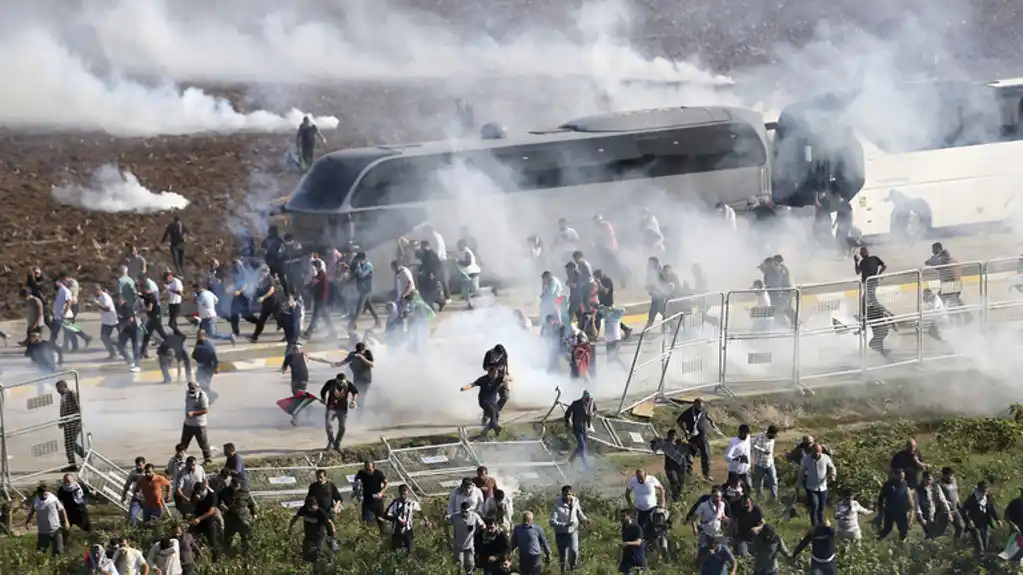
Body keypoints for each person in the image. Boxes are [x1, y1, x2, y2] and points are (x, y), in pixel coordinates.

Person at [677, 398, 719, 482]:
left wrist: (711, 421)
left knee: (706, 455)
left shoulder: (704, 408)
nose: (701, 408)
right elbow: (679, 421)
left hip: (702, 437)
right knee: (689, 456)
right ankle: (688, 475)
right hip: (692, 437)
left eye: (702, 406)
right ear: (694, 405)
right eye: (699, 406)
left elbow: (706, 414)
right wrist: (684, 430)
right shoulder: (688, 412)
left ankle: (707, 475)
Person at [550, 485, 588, 574]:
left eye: (569, 494)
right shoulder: (557, 504)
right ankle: (563, 572)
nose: (567, 496)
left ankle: (572, 568)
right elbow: (552, 521)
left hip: (573, 531)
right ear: (562, 494)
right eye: (565, 494)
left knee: (574, 552)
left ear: (572, 494)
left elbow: (579, 512)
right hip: (561, 533)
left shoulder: (575, 501)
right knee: (563, 557)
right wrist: (564, 524)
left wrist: (585, 520)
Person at [289, 496, 336, 566]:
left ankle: (323, 566)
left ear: (316, 505)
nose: (310, 510)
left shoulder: (321, 513)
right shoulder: (304, 509)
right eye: (309, 508)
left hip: (319, 538)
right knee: (306, 556)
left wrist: (332, 536)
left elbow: (330, 524)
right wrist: (290, 527)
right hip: (308, 537)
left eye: (312, 508)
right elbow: (296, 517)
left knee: (317, 555)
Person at [219, 470, 258, 554]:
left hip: (243, 518)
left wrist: (254, 514)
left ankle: (246, 555)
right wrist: (221, 507)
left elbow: (251, 504)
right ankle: (226, 554)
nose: (236, 487)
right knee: (228, 538)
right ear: (231, 484)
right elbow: (217, 502)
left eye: (238, 486)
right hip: (230, 519)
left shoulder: (244, 492)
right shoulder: (224, 492)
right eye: (234, 486)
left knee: (246, 539)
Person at [25, 483, 69, 556]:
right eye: (43, 494)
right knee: (40, 553)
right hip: (43, 531)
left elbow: (62, 509)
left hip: (56, 530)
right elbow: (32, 511)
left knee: (58, 552)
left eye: (46, 494)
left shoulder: (53, 499)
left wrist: (66, 522)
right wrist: (28, 522)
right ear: (39, 494)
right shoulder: (36, 501)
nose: (45, 496)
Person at [799, 444, 837, 527]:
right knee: (814, 505)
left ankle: (821, 525)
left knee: (821, 508)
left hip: (823, 487)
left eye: (819, 453)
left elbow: (832, 467)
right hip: (811, 487)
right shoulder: (806, 460)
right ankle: (814, 526)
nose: (818, 455)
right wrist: (798, 484)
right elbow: (801, 472)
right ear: (812, 452)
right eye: (816, 453)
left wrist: (833, 475)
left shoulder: (825, 458)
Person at [461, 366, 504, 438]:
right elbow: (473, 384)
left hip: (493, 402)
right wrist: (465, 388)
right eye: (493, 373)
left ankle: (484, 432)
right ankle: (495, 427)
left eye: (496, 374)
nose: (495, 375)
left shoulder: (499, 379)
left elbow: (508, 378)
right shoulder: (483, 379)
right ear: (489, 372)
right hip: (484, 401)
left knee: (496, 415)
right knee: (493, 412)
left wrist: (507, 379)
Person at [962, 481, 1002, 557]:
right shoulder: (972, 499)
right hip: (974, 523)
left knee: (985, 540)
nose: (985, 491)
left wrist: (997, 520)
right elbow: (964, 511)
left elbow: (991, 509)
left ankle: (982, 558)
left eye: (986, 489)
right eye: (983, 489)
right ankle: (979, 557)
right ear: (979, 489)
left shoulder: (987, 497)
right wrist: (969, 520)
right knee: (978, 542)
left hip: (984, 522)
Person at [320, 373, 359, 452]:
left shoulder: (348, 384)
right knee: (328, 424)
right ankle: (331, 441)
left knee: (342, 427)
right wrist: (323, 398)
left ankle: (337, 443)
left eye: (343, 381)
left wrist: (354, 401)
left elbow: (355, 392)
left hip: (342, 409)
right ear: (336, 379)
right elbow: (323, 391)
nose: (341, 383)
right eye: (339, 381)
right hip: (331, 407)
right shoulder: (330, 383)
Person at [336, 342, 375, 414]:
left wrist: (362, 358)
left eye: (361, 351)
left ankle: (359, 416)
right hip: (357, 379)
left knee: (361, 397)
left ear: (364, 350)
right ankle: (357, 412)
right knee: (356, 396)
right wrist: (336, 364)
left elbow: (372, 364)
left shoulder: (367, 353)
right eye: (358, 351)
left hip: (366, 379)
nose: (359, 352)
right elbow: (344, 362)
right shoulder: (352, 354)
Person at [181, 381, 213, 465]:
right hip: (188, 423)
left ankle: (208, 458)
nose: (191, 389)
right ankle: (180, 458)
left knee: (203, 442)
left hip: (199, 424)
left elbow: (205, 410)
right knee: (184, 443)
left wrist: (193, 413)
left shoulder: (202, 396)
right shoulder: (187, 393)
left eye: (193, 387)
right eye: (190, 387)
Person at [876, 468, 913, 542]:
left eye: (903, 477)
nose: (901, 479)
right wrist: (880, 509)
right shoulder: (888, 485)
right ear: (895, 475)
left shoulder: (905, 484)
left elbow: (908, 496)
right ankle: (876, 540)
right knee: (888, 528)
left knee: (904, 529)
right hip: (890, 510)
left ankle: (901, 544)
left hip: (901, 511)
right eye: (900, 477)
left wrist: (910, 508)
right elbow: (881, 497)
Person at [449, 500, 485, 574]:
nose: (464, 513)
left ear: (469, 510)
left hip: (469, 546)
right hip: (458, 546)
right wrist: (448, 536)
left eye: (466, 511)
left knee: (470, 565)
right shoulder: (455, 517)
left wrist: (481, 528)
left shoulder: (474, 516)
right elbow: (446, 523)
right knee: (459, 565)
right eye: (463, 512)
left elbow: (483, 525)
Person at [56, 380, 84, 472]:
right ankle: (72, 464)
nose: (57, 390)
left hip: (74, 423)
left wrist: (78, 419)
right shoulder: (63, 396)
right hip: (67, 424)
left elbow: (78, 407)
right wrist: (62, 421)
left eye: (58, 388)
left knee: (71, 444)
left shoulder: (71, 394)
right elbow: (63, 410)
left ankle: (85, 456)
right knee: (68, 445)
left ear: (64, 387)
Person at [347, 252, 380, 329]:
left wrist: (358, 267)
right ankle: (378, 321)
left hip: (365, 289)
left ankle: (352, 324)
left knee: (359, 308)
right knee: (369, 306)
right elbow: (356, 275)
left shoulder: (368, 265)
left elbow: (362, 275)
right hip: (361, 288)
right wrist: (349, 279)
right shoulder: (361, 265)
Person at [564, 390, 596, 468]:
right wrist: (567, 422)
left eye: (588, 399)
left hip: (585, 428)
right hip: (577, 427)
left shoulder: (591, 403)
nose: (587, 400)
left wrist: (593, 414)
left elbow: (595, 410)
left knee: (582, 448)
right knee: (582, 446)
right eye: (586, 399)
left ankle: (576, 462)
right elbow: (568, 412)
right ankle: (582, 463)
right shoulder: (576, 403)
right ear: (583, 397)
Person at [353, 460, 389, 533]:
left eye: (369, 470)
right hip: (367, 501)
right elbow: (356, 482)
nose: (368, 472)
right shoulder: (361, 473)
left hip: (377, 500)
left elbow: (386, 483)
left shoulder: (378, 473)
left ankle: (383, 535)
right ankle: (367, 538)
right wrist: (357, 489)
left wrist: (381, 493)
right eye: (366, 469)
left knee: (381, 520)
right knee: (366, 521)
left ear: (373, 468)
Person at [916, 471, 953, 540]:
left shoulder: (936, 487)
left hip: (936, 510)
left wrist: (949, 512)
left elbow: (943, 499)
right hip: (924, 512)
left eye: (929, 479)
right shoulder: (918, 490)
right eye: (926, 479)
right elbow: (917, 504)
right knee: (930, 531)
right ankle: (928, 541)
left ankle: (930, 540)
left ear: (932, 479)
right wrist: (920, 515)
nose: (928, 481)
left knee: (935, 531)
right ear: (923, 479)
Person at [384, 484, 420, 552]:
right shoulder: (395, 503)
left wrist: (425, 519)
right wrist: (397, 519)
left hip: (408, 530)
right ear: (399, 493)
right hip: (397, 530)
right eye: (402, 494)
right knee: (395, 550)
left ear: (408, 493)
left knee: (409, 549)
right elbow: (387, 515)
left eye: (405, 494)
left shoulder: (411, 503)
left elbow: (419, 511)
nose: (404, 497)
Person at [115, 292, 142, 372]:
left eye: (116, 299)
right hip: (126, 329)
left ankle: (137, 365)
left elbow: (131, 319)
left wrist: (122, 326)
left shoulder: (127, 306)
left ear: (121, 299)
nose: (115, 301)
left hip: (134, 328)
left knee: (135, 347)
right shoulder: (118, 307)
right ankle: (130, 361)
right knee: (120, 344)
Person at [752, 425, 779, 501]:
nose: (775, 437)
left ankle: (774, 499)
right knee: (759, 482)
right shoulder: (760, 436)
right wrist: (763, 451)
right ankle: (759, 498)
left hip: (770, 463)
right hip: (760, 464)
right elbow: (754, 446)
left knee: (774, 480)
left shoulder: (772, 438)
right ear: (770, 433)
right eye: (774, 435)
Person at [724, 424, 753, 493]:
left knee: (747, 489)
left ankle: (745, 502)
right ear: (741, 432)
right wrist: (736, 458)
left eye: (747, 433)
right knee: (732, 491)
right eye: (745, 433)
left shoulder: (748, 438)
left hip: (745, 470)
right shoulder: (734, 442)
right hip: (734, 472)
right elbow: (726, 457)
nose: (746, 435)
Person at [618, 509, 646, 574]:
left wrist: (627, 543)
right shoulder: (624, 527)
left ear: (630, 516)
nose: (621, 518)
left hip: (636, 559)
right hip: (627, 559)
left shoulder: (637, 528)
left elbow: (638, 542)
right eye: (620, 516)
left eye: (623, 516)